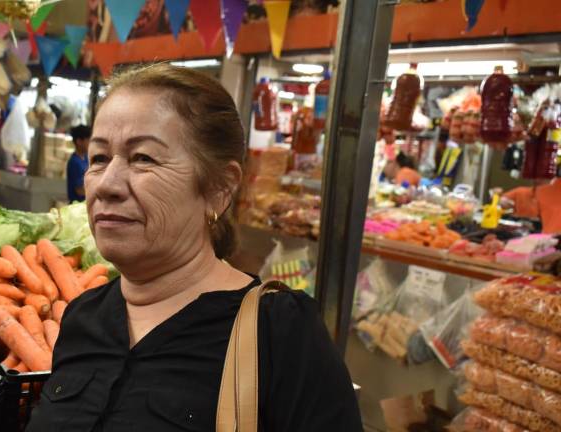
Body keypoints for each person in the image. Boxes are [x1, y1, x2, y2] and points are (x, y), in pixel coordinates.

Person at [27, 64, 361, 431]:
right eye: (99, 158)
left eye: (143, 158)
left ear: (219, 188)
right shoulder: (82, 317)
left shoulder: (279, 334)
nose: (107, 185)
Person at [66, 125, 91, 202]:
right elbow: (80, 190)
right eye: (89, 141)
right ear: (79, 141)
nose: (91, 144)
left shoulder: (87, 158)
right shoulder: (74, 162)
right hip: (77, 206)